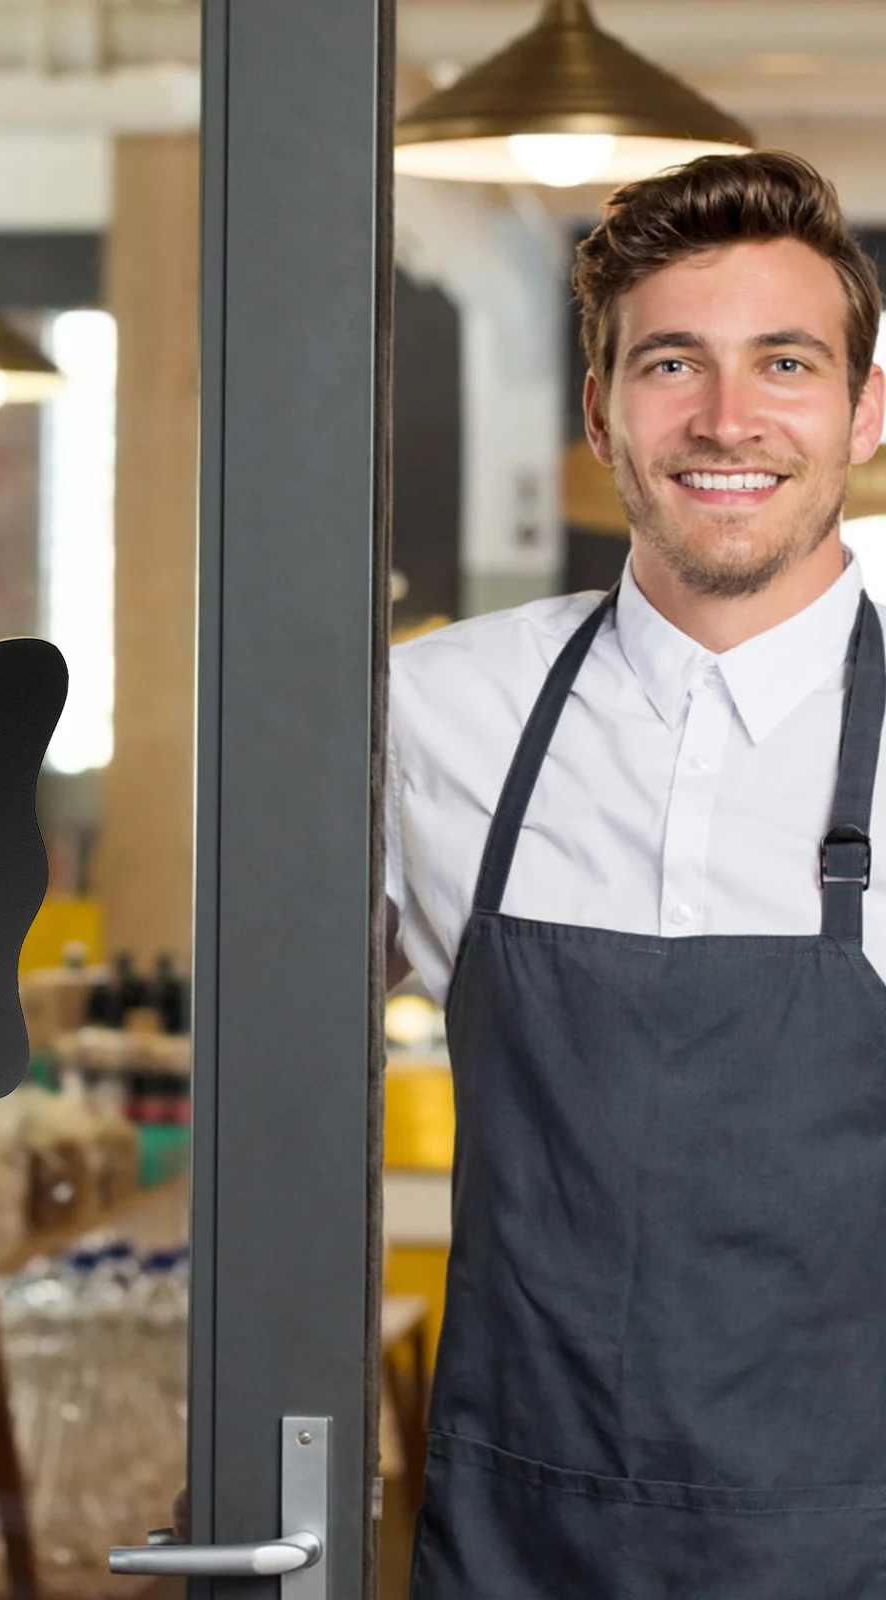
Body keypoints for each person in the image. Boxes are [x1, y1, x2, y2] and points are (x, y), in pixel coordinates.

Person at [389, 151, 886, 1597]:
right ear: (602, 415)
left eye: (784, 361)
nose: (728, 419)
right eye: (674, 364)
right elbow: (271, 1070)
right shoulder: (435, 717)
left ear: (865, 408)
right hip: (514, 1543)